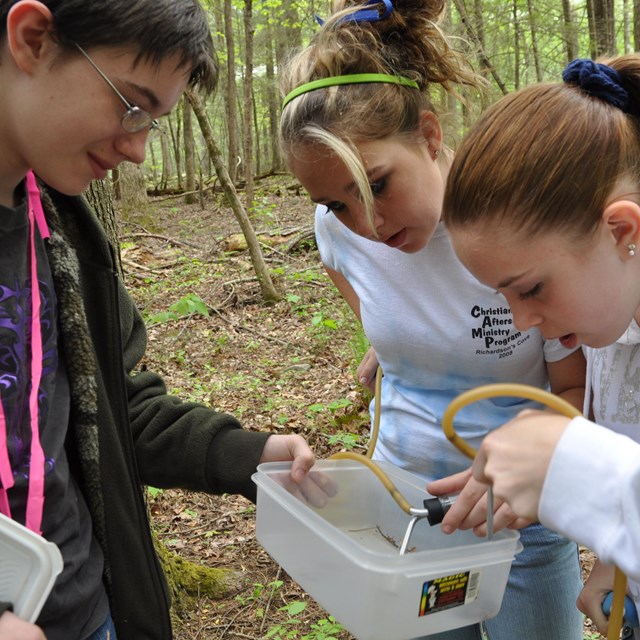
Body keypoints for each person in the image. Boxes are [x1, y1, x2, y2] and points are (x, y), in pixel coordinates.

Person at [0, 1, 319, 639]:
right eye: (131, 104)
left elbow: (113, 408)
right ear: (33, 39)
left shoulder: (61, 235)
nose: (139, 149)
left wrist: (247, 456)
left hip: (83, 608)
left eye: (155, 121)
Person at [278, 1, 588, 638]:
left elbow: (577, 392)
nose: (368, 224)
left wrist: (528, 468)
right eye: (338, 203)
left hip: (519, 519)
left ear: (430, 134)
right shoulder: (334, 236)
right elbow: (386, 332)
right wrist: (388, 356)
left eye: (378, 185)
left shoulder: (517, 227)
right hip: (406, 513)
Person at [441, 54, 640, 637]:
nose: (523, 320)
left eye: (531, 288)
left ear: (622, 231)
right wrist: (614, 555)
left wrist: (576, 471)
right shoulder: (611, 321)